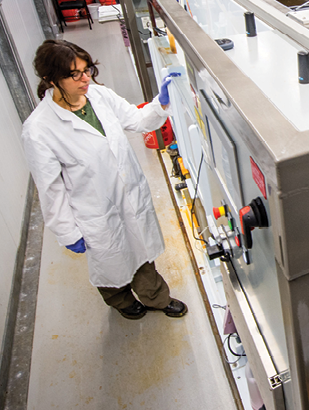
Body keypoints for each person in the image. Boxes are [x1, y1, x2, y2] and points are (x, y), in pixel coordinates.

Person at [22, 39, 187, 320]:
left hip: (129, 197)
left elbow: (136, 120)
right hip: (93, 212)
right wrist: (67, 231)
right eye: (75, 74)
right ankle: (120, 301)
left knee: (141, 252)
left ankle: (156, 297)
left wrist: (160, 104)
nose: (86, 79)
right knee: (110, 262)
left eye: (87, 70)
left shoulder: (99, 96)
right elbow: (51, 189)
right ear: (51, 79)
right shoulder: (38, 130)